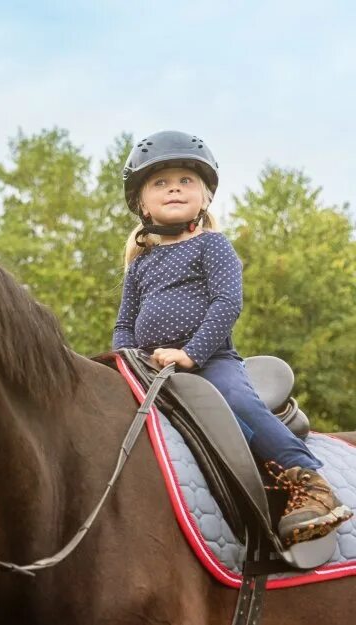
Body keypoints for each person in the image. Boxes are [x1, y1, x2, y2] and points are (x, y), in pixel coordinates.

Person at [112, 131, 352, 546]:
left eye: (186, 181)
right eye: (160, 183)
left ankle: (309, 481)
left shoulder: (212, 246)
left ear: (204, 197)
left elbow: (226, 304)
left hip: (211, 361)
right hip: (151, 371)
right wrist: (122, 362)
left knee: (236, 402)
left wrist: (191, 353)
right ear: (142, 204)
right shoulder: (140, 265)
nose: (174, 188)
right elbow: (124, 324)